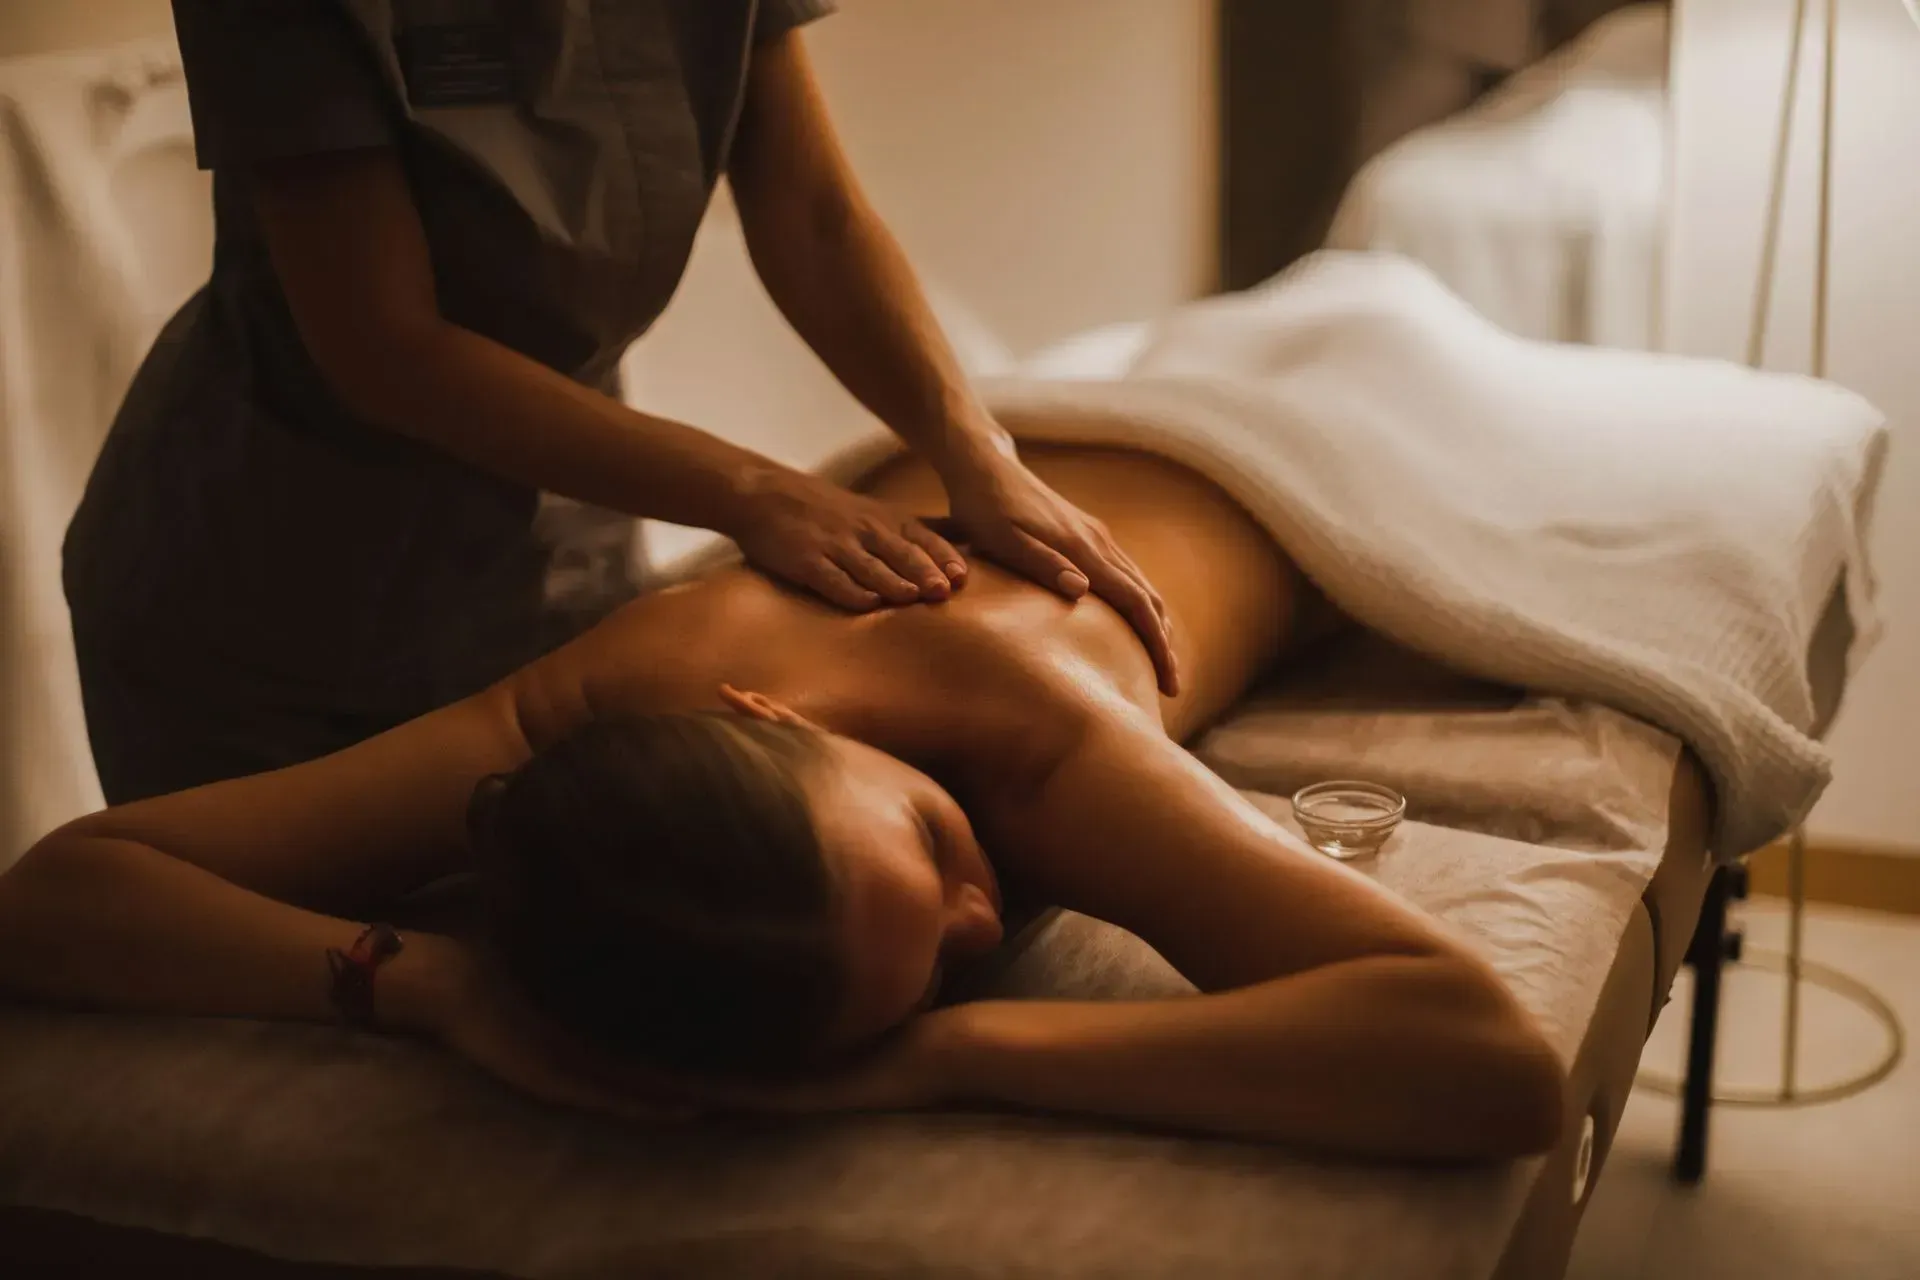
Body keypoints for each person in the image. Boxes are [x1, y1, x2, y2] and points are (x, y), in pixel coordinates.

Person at [4, 431, 1563, 1164]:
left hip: (1251, 453)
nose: (983, 909)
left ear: (772, 715)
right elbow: (66, 894)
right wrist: (425, 991)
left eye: (940, 851)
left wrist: (953, 1053)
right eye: (947, 961)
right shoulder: (580, 732)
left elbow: (1488, 1065)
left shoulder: (1025, 737)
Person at [61, 0, 1176, 806]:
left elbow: (815, 213)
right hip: (262, 597)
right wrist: (752, 491)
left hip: (549, 553)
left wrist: (976, 453)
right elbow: (384, 348)